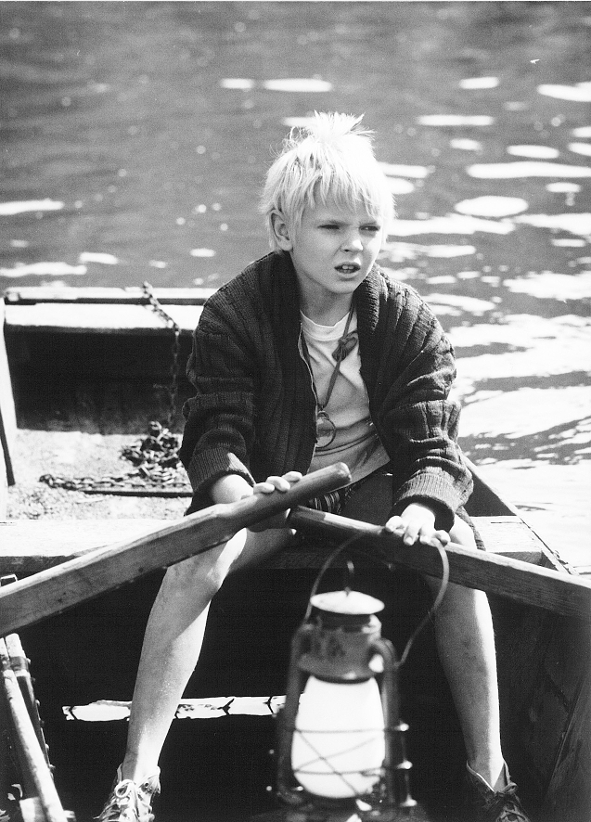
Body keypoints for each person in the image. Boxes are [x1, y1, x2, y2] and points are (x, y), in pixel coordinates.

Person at [98, 112, 530, 822]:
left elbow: (434, 449)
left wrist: (421, 509)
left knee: (459, 553)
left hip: (371, 488)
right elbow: (214, 432)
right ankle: (136, 778)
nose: (353, 246)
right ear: (283, 230)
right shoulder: (235, 312)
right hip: (275, 493)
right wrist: (241, 494)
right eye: (332, 228)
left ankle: (490, 776)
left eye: (369, 228)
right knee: (196, 560)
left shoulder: (409, 321)